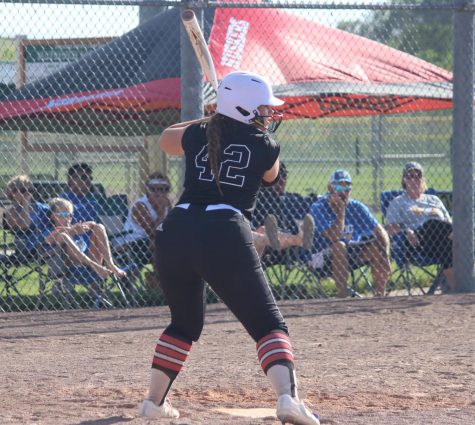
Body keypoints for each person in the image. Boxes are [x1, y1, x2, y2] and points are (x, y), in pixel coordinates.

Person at [138, 71, 320, 424]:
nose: (269, 115)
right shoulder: (265, 145)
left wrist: (211, 118)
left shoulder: (198, 133)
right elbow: (271, 175)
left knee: (184, 325)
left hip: (175, 230)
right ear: (245, 109)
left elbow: (165, 139)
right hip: (223, 230)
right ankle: (288, 398)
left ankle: (152, 402)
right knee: (269, 325)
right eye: (263, 109)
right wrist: (221, 119)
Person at [309, 169, 390, 298]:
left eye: (347, 187)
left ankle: (380, 296)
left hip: (350, 252)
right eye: (339, 186)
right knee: (339, 245)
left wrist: (385, 252)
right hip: (323, 256)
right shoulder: (319, 207)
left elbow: (380, 231)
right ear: (330, 188)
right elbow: (334, 236)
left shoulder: (356, 207)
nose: (343, 192)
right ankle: (342, 297)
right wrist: (341, 211)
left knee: (377, 246)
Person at [386, 162, 454, 290]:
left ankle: (457, 290)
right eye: (410, 176)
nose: (414, 179)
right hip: (416, 242)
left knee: (448, 247)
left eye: (418, 176)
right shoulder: (398, 202)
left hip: (439, 241)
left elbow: (448, 222)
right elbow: (390, 229)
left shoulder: (434, 199)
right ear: (404, 180)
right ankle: (467, 240)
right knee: (432, 223)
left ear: (423, 179)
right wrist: (406, 230)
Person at [43, 197, 126, 281]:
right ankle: (96, 267)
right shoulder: (52, 230)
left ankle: (110, 264)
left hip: (90, 262)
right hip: (67, 266)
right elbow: (48, 240)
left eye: (70, 215)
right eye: (64, 214)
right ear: (53, 216)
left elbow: (92, 223)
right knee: (63, 236)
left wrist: (85, 226)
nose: (68, 218)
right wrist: (73, 231)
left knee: (99, 227)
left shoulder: (75, 227)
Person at [115, 172, 173, 268]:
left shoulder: (167, 204)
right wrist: (161, 211)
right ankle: (159, 279)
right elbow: (154, 232)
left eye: (164, 189)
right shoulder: (140, 206)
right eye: (154, 189)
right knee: (159, 243)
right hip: (132, 243)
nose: (159, 193)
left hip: (152, 243)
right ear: (147, 190)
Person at [3, 175, 49, 260]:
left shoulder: (40, 207)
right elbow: (25, 225)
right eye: (23, 190)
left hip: (49, 241)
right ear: (13, 193)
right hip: (28, 247)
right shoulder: (11, 212)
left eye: (30, 190)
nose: (28, 193)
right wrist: (25, 204)